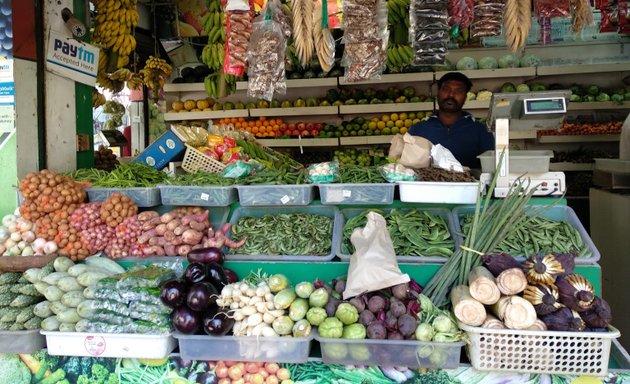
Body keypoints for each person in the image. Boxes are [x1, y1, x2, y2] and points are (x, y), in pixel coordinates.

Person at [408, 71, 495, 169]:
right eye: (446, 89)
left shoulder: (481, 131)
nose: (451, 95)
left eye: (458, 91)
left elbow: (489, 170)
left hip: (469, 184)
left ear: (465, 98)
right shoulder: (418, 130)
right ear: (438, 93)